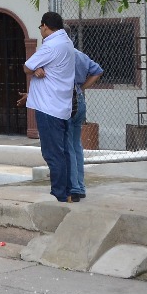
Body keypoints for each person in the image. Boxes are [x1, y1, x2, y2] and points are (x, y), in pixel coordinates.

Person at [24, 11, 77, 202]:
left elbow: (27, 66)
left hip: (48, 108)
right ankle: (68, 191)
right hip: (62, 106)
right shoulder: (67, 43)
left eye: (41, 27)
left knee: (53, 153)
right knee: (63, 152)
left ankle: (59, 194)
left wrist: (36, 68)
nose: (41, 31)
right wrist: (39, 68)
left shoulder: (51, 45)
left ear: (45, 26)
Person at [69, 49, 104, 200]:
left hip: (67, 100)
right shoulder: (79, 55)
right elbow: (98, 71)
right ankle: (80, 186)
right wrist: (81, 88)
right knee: (76, 144)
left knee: (67, 145)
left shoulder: (58, 53)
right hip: (79, 99)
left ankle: (74, 188)